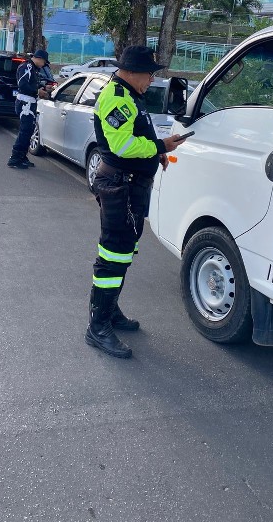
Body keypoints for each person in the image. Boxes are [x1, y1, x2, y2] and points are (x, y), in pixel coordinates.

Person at [85, 45, 187, 359]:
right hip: (120, 186)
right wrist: (161, 146)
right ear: (130, 71)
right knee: (113, 254)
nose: (151, 80)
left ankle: (110, 311)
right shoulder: (117, 97)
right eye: (148, 74)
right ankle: (98, 327)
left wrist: (155, 153)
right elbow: (123, 145)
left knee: (123, 253)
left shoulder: (130, 95)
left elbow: (136, 138)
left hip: (130, 187)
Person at [7, 48, 52, 169]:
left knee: (29, 131)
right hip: (25, 102)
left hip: (30, 102)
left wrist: (43, 88)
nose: (43, 65)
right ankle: (15, 157)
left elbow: (32, 83)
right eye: (44, 62)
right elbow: (23, 85)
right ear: (39, 59)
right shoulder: (26, 66)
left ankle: (22, 156)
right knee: (25, 131)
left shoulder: (33, 69)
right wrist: (37, 91)